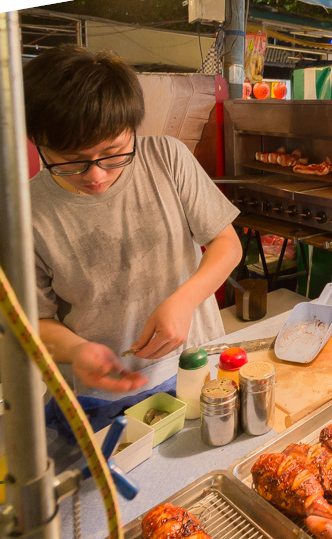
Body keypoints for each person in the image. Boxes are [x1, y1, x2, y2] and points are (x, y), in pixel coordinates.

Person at [19, 46, 242, 393]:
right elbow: (31, 322)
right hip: (102, 390)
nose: (96, 175)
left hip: (197, 366)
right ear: (37, 142)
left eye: (111, 153)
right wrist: (76, 350)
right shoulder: (25, 212)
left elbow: (226, 243)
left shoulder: (166, 157)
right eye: (71, 160)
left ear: (131, 129)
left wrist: (185, 300)